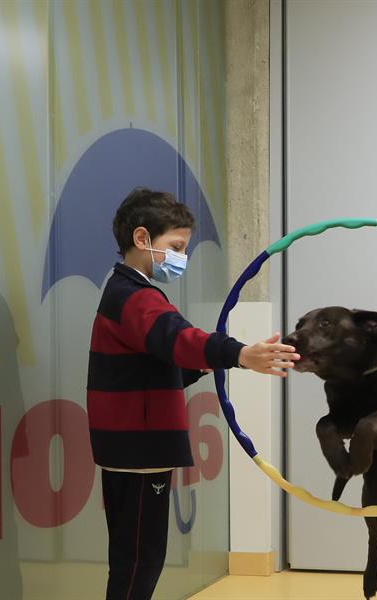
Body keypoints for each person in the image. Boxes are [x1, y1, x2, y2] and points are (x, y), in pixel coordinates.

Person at [87, 188, 298, 600]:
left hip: (130, 451)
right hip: (139, 454)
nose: (182, 257)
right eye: (176, 247)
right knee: (139, 563)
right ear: (142, 238)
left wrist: (203, 363)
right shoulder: (135, 298)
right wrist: (239, 353)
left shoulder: (126, 293)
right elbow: (177, 337)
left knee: (134, 560)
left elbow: (150, 368)